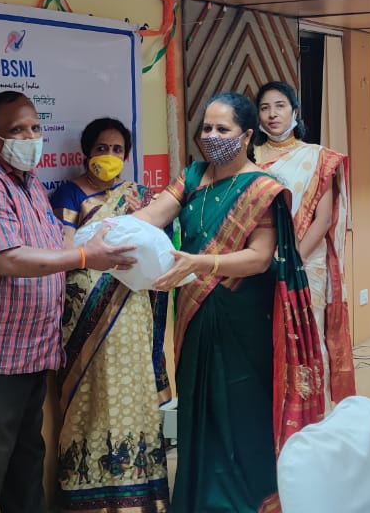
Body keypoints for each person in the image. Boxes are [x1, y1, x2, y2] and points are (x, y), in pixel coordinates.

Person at [0, 91, 137, 513]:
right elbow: (8, 260)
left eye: (34, 127)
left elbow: (55, 247)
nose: (30, 137)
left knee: (25, 478)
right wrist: (84, 256)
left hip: (29, 355)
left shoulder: (30, 185)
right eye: (17, 129)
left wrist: (100, 242)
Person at [132, 92, 325, 513]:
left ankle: (247, 501)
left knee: (239, 406)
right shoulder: (193, 175)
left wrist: (202, 263)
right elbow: (152, 216)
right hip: (195, 309)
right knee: (197, 404)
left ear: (246, 136)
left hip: (242, 314)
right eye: (206, 128)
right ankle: (199, 500)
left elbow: (259, 258)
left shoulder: (263, 188)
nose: (212, 136)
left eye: (223, 129)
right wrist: (119, 228)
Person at [49, 118, 171, 512]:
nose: (110, 156)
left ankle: (139, 492)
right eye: (102, 148)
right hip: (86, 314)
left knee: (134, 391)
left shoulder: (138, 195)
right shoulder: (69, 193)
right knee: (94, 394)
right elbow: (64, 250)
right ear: (86, 152)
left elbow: (162, 246)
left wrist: (141, 218)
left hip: (131, 308)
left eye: (118, 150)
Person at [253, 81, 355, 403]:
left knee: (307, 339)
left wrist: (291, 262)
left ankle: (312, 412)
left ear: (294, 111)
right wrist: (269, 262)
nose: (272, 114)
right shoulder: (249, 158)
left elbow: (322, 220)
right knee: (265, 341)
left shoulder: (318, 158)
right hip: (260, 263)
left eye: (280, 106)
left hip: (305, 264)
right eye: (265, 108)